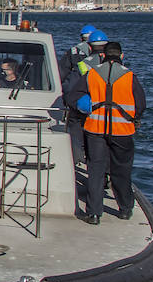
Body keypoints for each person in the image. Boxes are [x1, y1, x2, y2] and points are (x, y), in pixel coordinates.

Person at [64, 40, 146, 224]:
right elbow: (140, 104)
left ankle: (94, 213)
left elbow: (72, 96)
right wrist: (134, 118)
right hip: (122, 131)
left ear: (102, 56)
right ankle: (125, 209)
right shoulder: (130, 76)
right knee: (121, 170)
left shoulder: (92, 74)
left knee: (96, 170)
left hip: (95, 130)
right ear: (122, 56)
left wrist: (85, 106)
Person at [61, 29, 107, 164]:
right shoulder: (115, 65)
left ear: (89, 45)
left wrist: (70, 102)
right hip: (107, 109)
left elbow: (70, 86)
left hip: (86, 105)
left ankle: (79, 158)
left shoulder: (83, 63)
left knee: (76, 129)